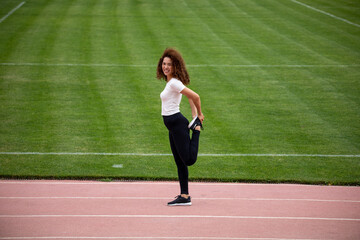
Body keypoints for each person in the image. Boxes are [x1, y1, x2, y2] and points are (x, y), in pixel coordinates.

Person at [157, 48, 204, 206]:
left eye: (169, 64)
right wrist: (193, 114)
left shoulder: (174, 83)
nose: (166, 67)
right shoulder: (172, 82)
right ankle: (184, 196)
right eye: (164, 63)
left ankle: (196, 131)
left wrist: (199, 116)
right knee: (180, 162)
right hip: (173, 126)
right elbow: (189, 96)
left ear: (175, 66)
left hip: (177, 124)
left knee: (188, 159)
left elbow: (195, 96)